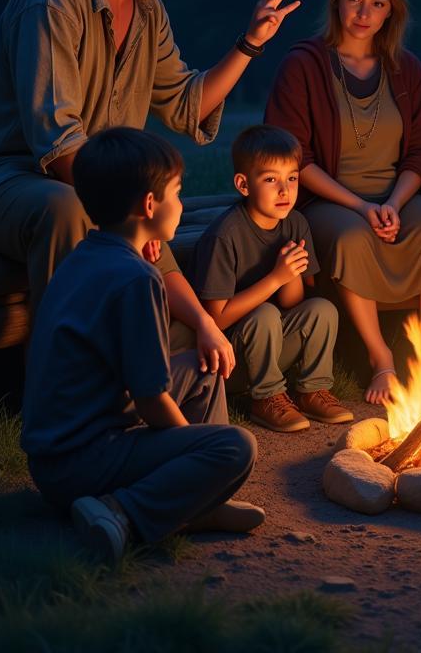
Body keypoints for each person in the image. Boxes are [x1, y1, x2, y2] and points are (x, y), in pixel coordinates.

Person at [0, 0, 300, 379]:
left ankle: (155, 364)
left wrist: (251, 43)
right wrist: (131, 208)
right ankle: (62, 386)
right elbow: (59, 147)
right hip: (10, 181)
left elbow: (187, 105)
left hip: (102, 185)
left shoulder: (147, 10)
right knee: (69, 209)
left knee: (145, 212)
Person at [21, 128, 264, 564]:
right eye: (177, 192)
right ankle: (121, 515)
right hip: (83, 464)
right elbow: (151, 400)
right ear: (149, 206)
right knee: (235, 446)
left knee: (206, 367)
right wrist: (196, 451)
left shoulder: (86, 256)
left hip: (54, 457)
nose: (182, 203)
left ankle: (197, 505)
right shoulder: (137, 279)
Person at [265, 0, 421, 404]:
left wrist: (394, 204)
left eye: (378, 3)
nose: (364, 12)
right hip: (328, 199)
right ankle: (382, 360)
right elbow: (292, 157)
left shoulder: (405, 68)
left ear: (390, 11)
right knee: (353, 239)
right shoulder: (304, 66)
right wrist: (361, 206)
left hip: (395, 194)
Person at [189, 125, 354, 432]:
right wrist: (276, 278)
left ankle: (311, 390)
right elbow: (215, 320)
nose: (285, 191)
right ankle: (265, 398)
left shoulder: (295, 223)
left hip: (272, 345)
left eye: (292, 178)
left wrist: (289, 274)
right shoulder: (225, 236)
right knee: (264, 312)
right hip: (229, 360)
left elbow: (294, 303)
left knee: (321, 309)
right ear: (243, 184)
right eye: (270, 179)